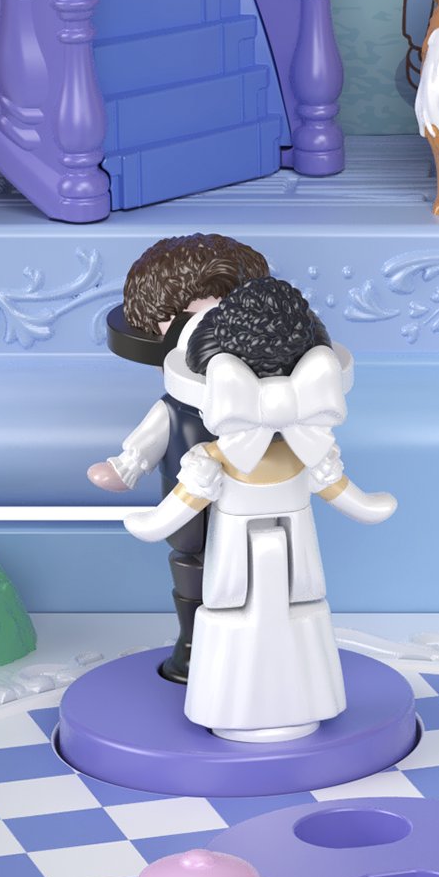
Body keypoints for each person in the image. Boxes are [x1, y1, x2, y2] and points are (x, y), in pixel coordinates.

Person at [118, 277, 398, 745]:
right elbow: (186, 499)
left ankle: (305, 702)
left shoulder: (308, 452)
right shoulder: (217, 460)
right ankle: (229, 707)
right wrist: (154, 523)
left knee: (303, 612)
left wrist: (366, 506)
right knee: (228, 619)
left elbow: (336, 488)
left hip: (296, 557)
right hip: (233, 557)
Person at [84, 232, 271, 684]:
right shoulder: (174, 409)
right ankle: (192, 644)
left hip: (257, 504)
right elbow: (148, 440)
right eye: (186, 322)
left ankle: (255, 647)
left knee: (259, 565)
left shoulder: (265, 404)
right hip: (190, 506)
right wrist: (126, 467)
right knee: (193, 564)